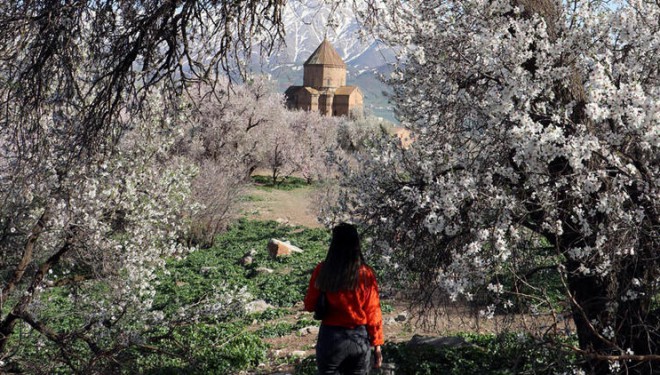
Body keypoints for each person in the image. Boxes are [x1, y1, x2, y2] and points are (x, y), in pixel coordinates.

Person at [304, 223, 384, 374]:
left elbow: (309, 304)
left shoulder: (323, 270)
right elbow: (373, 313)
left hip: (330, 339)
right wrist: (377, 345)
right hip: (358, 339)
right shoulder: (366, 274)